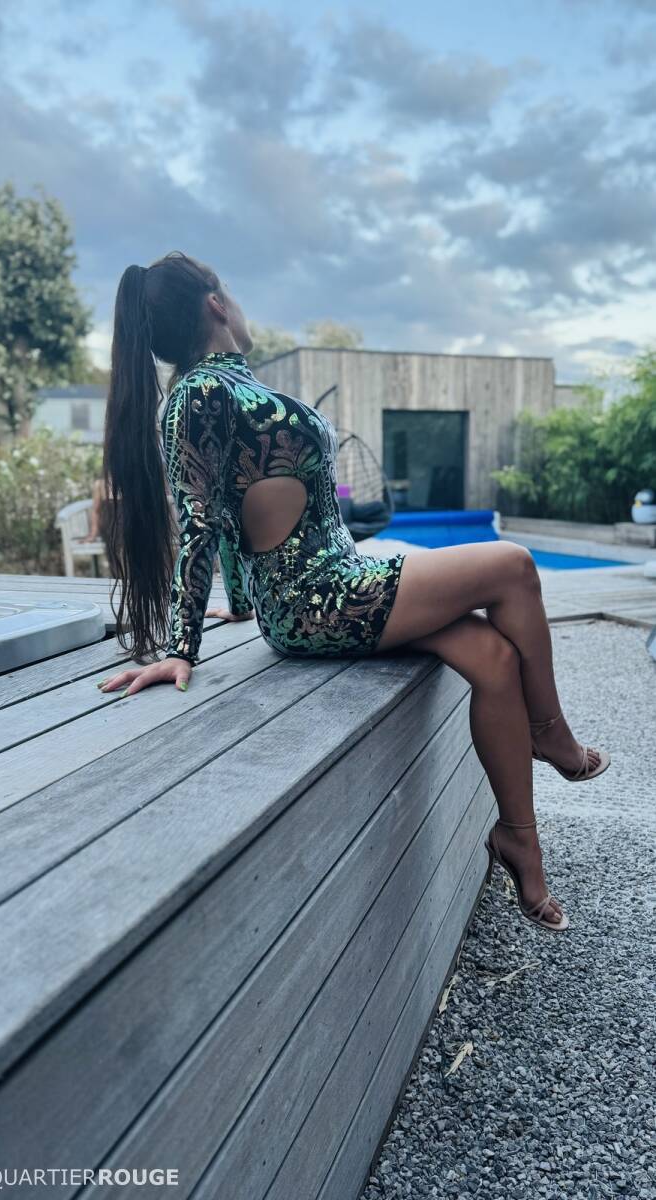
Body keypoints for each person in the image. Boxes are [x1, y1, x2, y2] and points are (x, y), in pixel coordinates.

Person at [97, 250, 610, 933]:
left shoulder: (220, 390)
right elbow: (200, 520)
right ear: (216, 303)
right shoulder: (197, 396)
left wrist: (243, 604)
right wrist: (180, 647)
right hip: (321, 599)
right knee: (513, 565)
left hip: (334, 585)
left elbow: (231, 505)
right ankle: (551, 735)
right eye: (232, 294)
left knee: (493, 657)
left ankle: (518, 839)